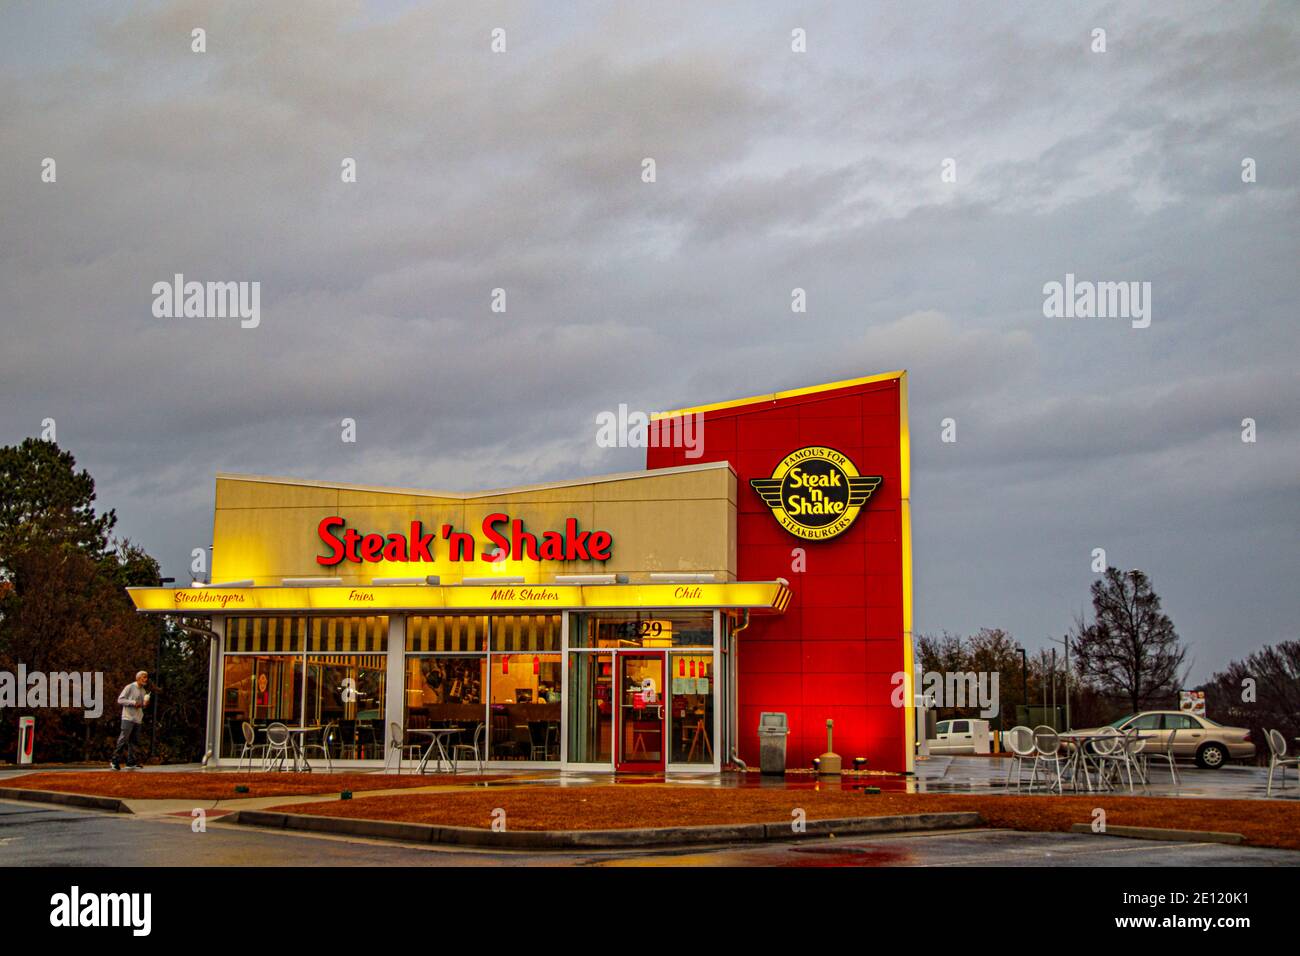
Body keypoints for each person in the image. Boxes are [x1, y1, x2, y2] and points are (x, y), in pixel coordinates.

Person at [110, 671, 150, 770]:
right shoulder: (130, 687)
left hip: (138, 719)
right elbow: (120, 700)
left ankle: (131, 762)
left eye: (146, 678)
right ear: (138, 678)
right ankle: (114, 761)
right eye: (144, 677)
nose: (146, 679)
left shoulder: (143, 691)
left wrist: (145, 703)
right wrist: (133, 702)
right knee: (123, 739)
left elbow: (142, 705)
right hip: (128, 718)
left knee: (134, 742)